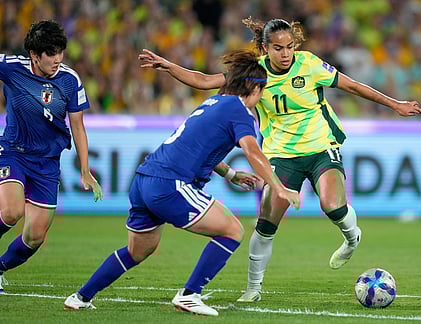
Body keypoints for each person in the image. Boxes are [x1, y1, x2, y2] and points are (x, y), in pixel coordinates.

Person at [137, 17, 421, 303]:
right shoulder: (255, 73)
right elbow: (205, 80)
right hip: (280, 154)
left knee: (332, 206)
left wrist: (395, 104)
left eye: (289, 47)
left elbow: (353, 86)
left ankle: (352, 238)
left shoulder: (309, 64)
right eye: (278, 48)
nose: (285, 54)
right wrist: (170, 67)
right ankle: (253, 288)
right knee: (266, 222)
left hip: (320, 145)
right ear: (265, 48)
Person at [63, 50, 301, 316]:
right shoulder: (240, 112)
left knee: (138, 250)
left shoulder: (214, 102)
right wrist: (278, 187)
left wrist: (231, 175)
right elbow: (253, 151)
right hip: (170, 184)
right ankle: (190, 294)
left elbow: (198, 147)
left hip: (144, 180)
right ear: (254, 87)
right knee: (232, 230)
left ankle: (81, 297)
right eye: (262, 89)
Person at [0, 20, 103, 294]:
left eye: (61, 52)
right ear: (35, 55)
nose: (57, 59)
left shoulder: (70, 80)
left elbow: (78, 127)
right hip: (13, 152)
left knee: (34, 237)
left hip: (47, 163)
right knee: (11, 212)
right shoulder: (11, 68)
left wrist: (84, 170)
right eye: (51, 53)